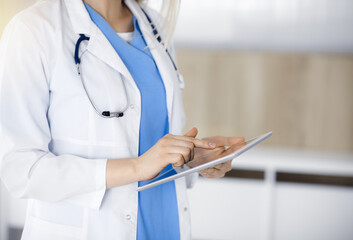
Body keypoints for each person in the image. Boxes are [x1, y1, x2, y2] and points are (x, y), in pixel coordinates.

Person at [0, 0, 244, 239]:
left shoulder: (155, 25)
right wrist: (137, 167)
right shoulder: (33, 30)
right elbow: (21, 169)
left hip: (166, 225)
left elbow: (154, 141)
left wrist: (193, 157)